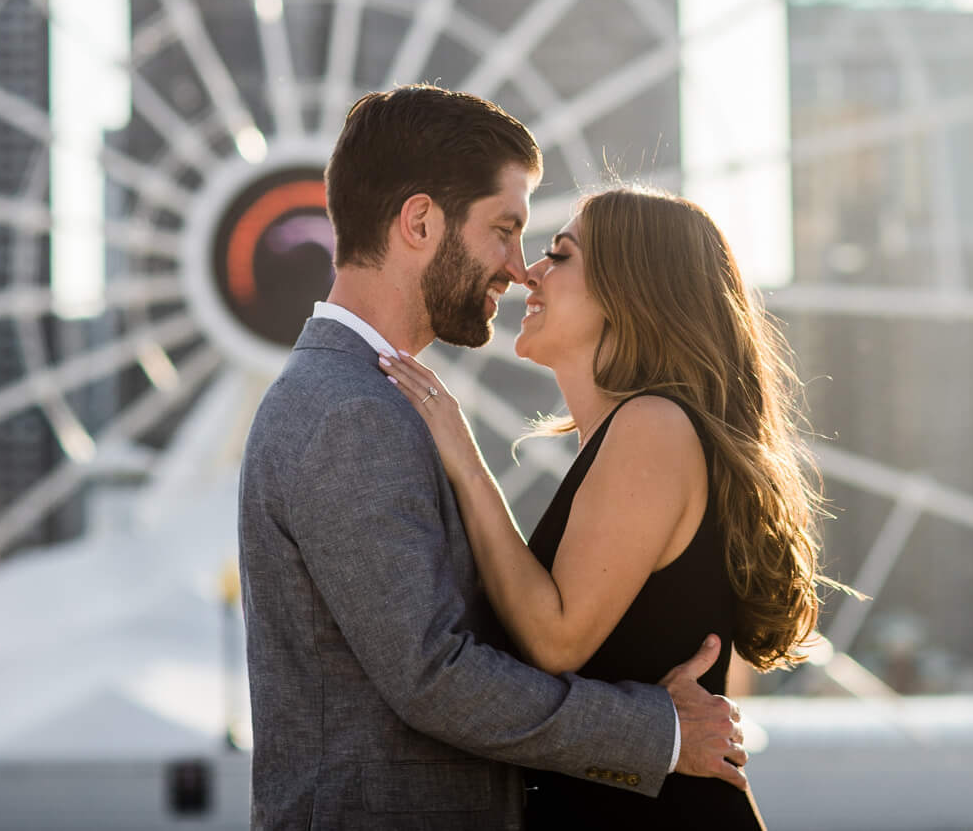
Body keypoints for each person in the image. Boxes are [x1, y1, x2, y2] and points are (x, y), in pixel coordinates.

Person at [238, 86, 749, 830]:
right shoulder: (352, 413)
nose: (518, 270)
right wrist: (659, 733)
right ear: (419, 221)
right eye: (505, 230)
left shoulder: (375, 401)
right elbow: (434, 675)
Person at [381, 183, 826, 829]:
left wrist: (466, 461)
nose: (529, 270)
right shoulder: (637, 435)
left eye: (560, 256)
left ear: (630, 291)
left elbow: (556, 638)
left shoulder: (652, 428)